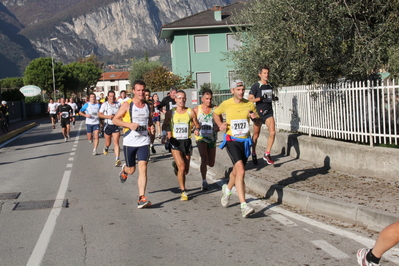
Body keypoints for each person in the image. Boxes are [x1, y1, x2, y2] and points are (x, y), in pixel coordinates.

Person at [213, 80, 259, 218]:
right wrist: (220, 124)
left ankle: (227, 190)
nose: (241, 92)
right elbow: (216, 113)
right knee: (241, 170)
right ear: (232, 90)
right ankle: (244, 206)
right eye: (238, 89)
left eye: (243, 89)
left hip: (245, 141)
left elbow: (258, 121)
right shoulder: (226, 104)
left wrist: (255, 118)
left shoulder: (249, 104)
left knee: (236, 171)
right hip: (232, 140)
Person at [112, 80, 153, 209]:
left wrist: (151, 129)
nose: (141, 92)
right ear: (133, 91)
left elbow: (149, 120)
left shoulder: (148, 105)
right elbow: (115, 120)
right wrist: (129, 125)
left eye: (143, 90)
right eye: (138, 90)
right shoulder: (126, 105)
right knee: (132, 170)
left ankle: (142, 197)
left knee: (143, 167)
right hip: (130, 141)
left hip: (143, 141)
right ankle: (125, 170)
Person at [163, 90, 200, 201]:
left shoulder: (190, 112)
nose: (182, 100)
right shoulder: (171, 113)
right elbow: (165, 124)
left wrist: (197, 129)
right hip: (175, 142)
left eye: (183, 98)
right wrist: (166, 136)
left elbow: (197, 124)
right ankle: (183, 191)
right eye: (179, 98)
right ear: (175, 99)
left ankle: (176, 166)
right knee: (182, 167)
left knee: (185, 171)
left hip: (186, 142)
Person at [248, 65, 278, 165]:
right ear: (260, 74)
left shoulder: (270, 85)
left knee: (273, 132)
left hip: (269, 112)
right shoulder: (256, 86)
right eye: (264, 73)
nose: (266, 75)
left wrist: (273, 97)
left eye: (267, 73)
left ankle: (267, 153)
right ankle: (253, 152)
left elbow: (269, 97)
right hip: (258, 113)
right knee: (256, 135)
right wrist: (260, 98)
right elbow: (249, 99)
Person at [193, 89, 219, 190]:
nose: (209, 101)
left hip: (212, 138)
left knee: (211, 163)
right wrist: (195, 128)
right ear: (202, 99)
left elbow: (219, 122)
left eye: (210, 99)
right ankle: (204, 180)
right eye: (207, 99)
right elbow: (192, 123)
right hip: (201, 137)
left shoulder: (215, 109)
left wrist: (217, 127)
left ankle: (204, 165)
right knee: (204, 158)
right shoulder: (196, 110)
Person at [99, 91, 122, 166]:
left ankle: (117, 159)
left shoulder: (118, 104)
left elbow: (123, 112)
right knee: (108, 142)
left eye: (113, 96)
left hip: (116, 125)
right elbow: (99, 114)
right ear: (108, 97)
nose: (112, 98)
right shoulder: (105, 105)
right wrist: (108, 117)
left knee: (116, 142)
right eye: (110, 96)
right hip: (108, 125)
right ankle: (106, 147)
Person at [144, 89, 156, 154]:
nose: (147, 97)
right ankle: (147, 149)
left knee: (153, 131)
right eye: (146, 95)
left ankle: (151, 144)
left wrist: (153, 114)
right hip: (144, 121)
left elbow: (152, 111)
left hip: (150, 120)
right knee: (147, 134)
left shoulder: (151, 102)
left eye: (148, 95)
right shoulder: (142, 103)